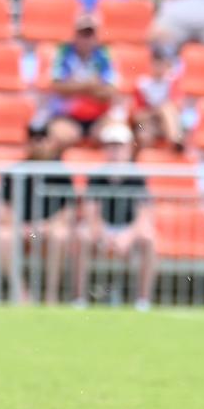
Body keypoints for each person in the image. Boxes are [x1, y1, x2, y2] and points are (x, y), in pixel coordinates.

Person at [73, 122, 156, 311]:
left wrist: (128, 235)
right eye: (111, 146)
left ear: (128, 148)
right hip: (103, 226)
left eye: (119, 146)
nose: (115, 151)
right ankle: (78, 298)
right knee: (82, 235)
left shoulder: (137, 176)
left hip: (127, 228)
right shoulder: (97, 175)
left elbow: (144, 214)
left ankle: (143, 300)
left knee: (149, 238)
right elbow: (90, 211)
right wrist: (103, 233)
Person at [0, 121, 77, 305]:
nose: (38, 143)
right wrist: (21, 226)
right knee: (3, 235)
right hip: (21, 228)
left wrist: (46, 226)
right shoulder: (14, 172)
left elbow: (69, 211)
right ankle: (21, 294)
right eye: (34, 139)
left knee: (60, 234)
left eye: (42, 139)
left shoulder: (60, 172)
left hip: (49, 228)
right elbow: (3, 208)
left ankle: (51, 295)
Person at [45, 13, 119, 147]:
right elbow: (57, 87)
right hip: (67, 117)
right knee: (60, 136)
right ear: (75, 35)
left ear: (96, 36)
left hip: (98, 118)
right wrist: (90, 86)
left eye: (90, 34)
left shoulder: (104, 54)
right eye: (83, 34)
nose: (86, 39)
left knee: (115, 135)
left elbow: (109, 92)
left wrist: (74, 87)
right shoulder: (63, 52)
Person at [132, 50, 185, 150]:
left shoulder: (171, 83)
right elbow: (137, 115)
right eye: (156, 65)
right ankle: (144, 158)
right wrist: (155, 111)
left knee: (167, 109)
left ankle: (175, 141)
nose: (159, 68)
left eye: (161, 65)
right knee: (143, 133)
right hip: (148, 121)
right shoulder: (142, 84)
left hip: (165, 122)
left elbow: (177, 107)